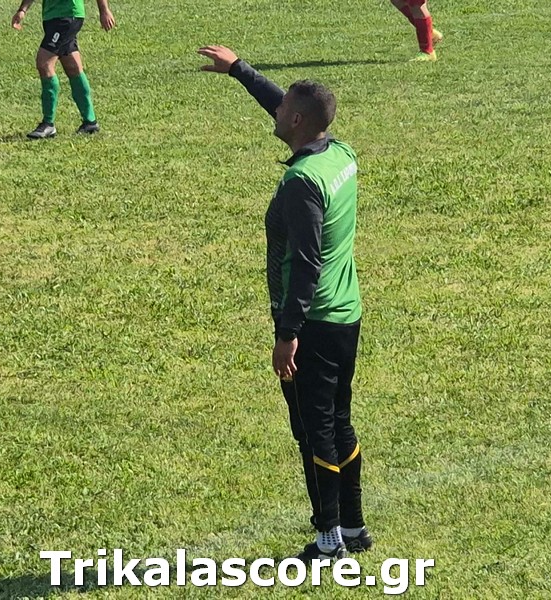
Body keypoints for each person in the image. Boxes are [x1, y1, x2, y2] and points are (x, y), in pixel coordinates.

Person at [198, 45, 371, 561]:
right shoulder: (339, 153)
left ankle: (329, 540)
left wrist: (287, 333)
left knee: (313, 432)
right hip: (346, 312)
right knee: (338, 420)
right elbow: (289, 107)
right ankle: (354, 527)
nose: (276, 112)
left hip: (312, 323)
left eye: (283, 110)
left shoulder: (301, 183)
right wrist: (240, 71)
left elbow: (307, 264)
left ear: (296, 120)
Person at [12, 0, 115, 139]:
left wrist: (104, 10)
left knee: (44, 64)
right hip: (53, 17)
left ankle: (48, 124)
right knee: (73, 67)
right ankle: (90, 122)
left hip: (67, 16)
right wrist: (22, 10)